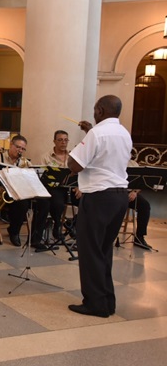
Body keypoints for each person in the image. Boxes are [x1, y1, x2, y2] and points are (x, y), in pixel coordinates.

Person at [67, 94, 132, 318]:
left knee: (90, 251)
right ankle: (107, 302)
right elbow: (105, 155)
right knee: (104, 250)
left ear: (101, 111)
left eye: (95, 110)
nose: (94, 114)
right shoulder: (124, 132)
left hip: (98, 197)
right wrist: (89, 134)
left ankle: (94, 303)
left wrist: (76, 149)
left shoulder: (98, 132)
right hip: (119, 197)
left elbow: (75, 165)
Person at [0, 135, 49, 250]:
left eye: (22, 149)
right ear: (11, 145)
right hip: (1, 194)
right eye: (18, 147)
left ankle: (35, 238)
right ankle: (14, 231)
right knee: (23, 204)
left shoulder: (24, 162)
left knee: (44, 204)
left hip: (19, 193)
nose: (20, 151)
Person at [37, 130, 72, 240]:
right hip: (54, 188)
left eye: (66, 140)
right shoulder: (46, 157)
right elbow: (42, 176)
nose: (63, 142)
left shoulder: (73, 156)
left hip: (71, 188)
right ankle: (57, 225)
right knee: (58, 203)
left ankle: (71, 225)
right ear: (54, 141)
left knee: (88, 202)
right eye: (60, 140)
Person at [126, 158, 153, 250]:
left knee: (145, 206)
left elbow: (141, 183)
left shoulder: (134, 164)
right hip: (116, 192)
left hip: (131, 193)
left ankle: (139, 237)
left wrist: (135, 192)